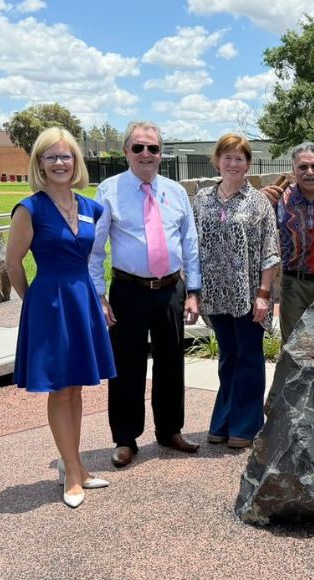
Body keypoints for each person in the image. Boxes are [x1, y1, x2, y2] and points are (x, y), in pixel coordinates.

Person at [5, 127, 116, 508]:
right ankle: (70, 471)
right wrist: (34, 302)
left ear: (75, 161)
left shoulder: (90, 208)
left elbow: (94, 256)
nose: (59, 162)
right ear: (39, 163)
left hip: (81, 298)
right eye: (50, 156)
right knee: (60, 388)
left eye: (65, 155)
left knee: (77, 386)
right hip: (50, 303)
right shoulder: (30, 209)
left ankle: (76, 465)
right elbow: (13, 262)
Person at [90, 120, 201, 468]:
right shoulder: (109, 190)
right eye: (138, 147)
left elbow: (190, 243)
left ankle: (170, 430)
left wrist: (193, 291)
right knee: (126, 366)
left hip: (170, 289)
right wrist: (99, 297)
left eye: (153, 148)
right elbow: (95, 249)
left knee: (171, 363)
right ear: (126, 151)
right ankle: (126, 438)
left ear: (161, 153)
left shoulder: (176, 192)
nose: (146, 154)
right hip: (128, 290)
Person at [192, 134, 279, 449]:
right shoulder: (202, 199)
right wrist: (194, 291)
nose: (232, 163)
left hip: (248, 295)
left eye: (239, 158)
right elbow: (192, 245)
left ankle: (246, 424)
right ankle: (223, 421)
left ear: (248, 164)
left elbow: (270, 251)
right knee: (228, 357)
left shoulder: (258, 202)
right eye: (227, 157)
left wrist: (264, 294)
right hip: (215, 295)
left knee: (249, 357)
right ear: (217, 161)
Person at [261, 142, 314, 343]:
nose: (309, 172)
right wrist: (258, 199)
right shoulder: (280, 198)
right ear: (293, 170)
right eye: (303, 167)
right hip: (293, 285)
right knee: (292, 345)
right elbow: (250, 224)